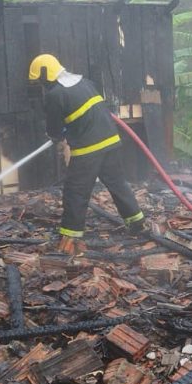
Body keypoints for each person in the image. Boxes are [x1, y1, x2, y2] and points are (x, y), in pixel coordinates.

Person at [28, 54, 148, 254]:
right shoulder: (85, 83)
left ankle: (71, 235)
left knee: (76, 192)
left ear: (45, 75)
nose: (41, 85)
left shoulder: (55, 95)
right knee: (117, 183)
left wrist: (56, 135)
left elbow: (55, 130)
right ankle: (137, 222)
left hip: (88, 149)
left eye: (40, 81)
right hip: (111, 141)